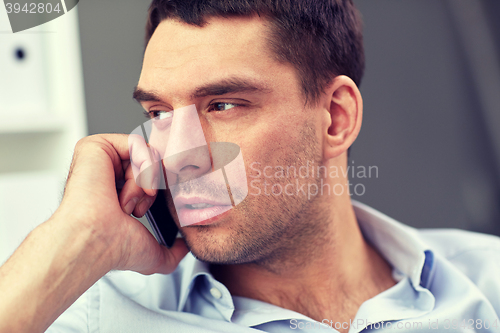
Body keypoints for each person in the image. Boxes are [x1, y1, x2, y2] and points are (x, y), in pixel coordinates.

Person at [1, 0, 499, 332]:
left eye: (222, 105)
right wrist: (77, 242)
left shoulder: (487, 282)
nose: (177, 155)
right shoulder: (93, 312)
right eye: (159, 114)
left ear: (336, 119)